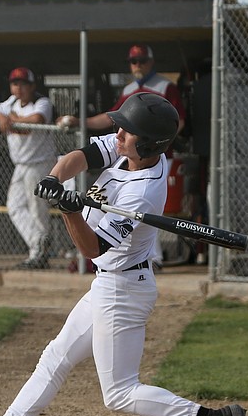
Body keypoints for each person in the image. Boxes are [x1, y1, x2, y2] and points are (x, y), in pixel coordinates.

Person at [0, 92, 248, 416]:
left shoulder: (144, 191)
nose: (118, 134)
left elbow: (91, 247)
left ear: (149, 143)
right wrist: (55, 179)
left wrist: (70, 211)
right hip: (109, 286)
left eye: (127, 131)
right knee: (56, 357)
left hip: (122, 291)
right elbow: (79, 158)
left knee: (120, 393)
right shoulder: (129, 147)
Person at [61, 45, 187, 270]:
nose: (137, 65)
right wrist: (81, 121)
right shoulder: (130, 91)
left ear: (151, 61)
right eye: (133, 61)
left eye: (142, 60)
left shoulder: (165, 86)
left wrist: (154, 142)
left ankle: (153, 258)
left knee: (142, 209)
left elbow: (178, 122)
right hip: (140, 155)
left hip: (157, 158)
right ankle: (148, 257)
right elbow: (112, 123)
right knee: (134, 216)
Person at [0, 67, 56, 269]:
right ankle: (39, 242)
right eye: (15, 84)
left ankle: (39, 254)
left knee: (37, 209)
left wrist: (12, 120)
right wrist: (1, 118)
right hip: (20, 165)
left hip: (40, 163)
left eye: (23, 84)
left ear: (32, 86)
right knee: (14, 206)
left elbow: (38, 119)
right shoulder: (11, 102)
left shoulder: (41, 102)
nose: (19, 88)